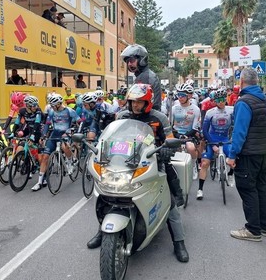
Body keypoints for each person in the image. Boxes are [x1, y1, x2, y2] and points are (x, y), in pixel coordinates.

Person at [87, 84, 189, 263]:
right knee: (107, 196)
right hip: (125, 164)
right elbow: (110, 139)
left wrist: (167, 149)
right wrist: (100, 149)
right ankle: (101, 232)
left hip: (154, 161)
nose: (135, 105)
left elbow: (171, 139)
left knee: (169, 200)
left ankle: (179, 242)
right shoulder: (122, 116)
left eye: (139, 102)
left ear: (147, 102)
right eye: (132, 101)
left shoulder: (159, 118)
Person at [226, 67, 266, 242]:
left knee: (247, 188)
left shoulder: (244, 102)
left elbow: (239, 133)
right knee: (261, 188)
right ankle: (263, 226)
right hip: (263, 153)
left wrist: (232, 155)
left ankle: (253, 230)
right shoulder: (263, 100)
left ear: (241, 82)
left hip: (249, 154)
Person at [31, 93, 80, 191]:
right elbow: (47, 124)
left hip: (66, 133)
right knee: (45, 157)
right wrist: (43, 135)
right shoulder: (51, 111)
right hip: (55, 134)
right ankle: (39, 182)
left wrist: (73, 131)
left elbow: (79, 121)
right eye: (51, 105)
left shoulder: (69, 111)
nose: (52, 107)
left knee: (64, 147)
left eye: (53, 105)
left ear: (59, 104)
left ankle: (71, 160)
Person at [196, 88, 234, 200]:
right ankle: (200, 189)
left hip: (226, 139)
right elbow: (205, 130)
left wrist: (233, 139)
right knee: (205, 164)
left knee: (235, 157)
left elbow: (236, 126)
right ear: (215, 101)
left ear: (226, 99)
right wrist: (212, 145)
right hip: (212, 139)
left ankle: (231, 173)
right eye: (218, 100)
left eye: (223, 99)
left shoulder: (232, 110)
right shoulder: (210, 112)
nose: (221, 102)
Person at [172, 83, 202, 180]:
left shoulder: (195, 109)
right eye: (178, 95)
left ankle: (193, 165)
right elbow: (170, 124)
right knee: (175, 150)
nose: (180, 98)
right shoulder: (174, 108)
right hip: (176, 133)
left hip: (190, 134)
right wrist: (177, 134)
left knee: (191, 147)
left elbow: (195, 128)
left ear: (188, 96)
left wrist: (186, 135)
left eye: (182, 95)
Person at [120, 44, 161, 110]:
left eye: (132, 60)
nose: (129, 64)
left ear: (142, 60)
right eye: (127, 61)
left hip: (145, 118)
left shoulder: (145, 77)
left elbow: (140, 103)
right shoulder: (142, 76)